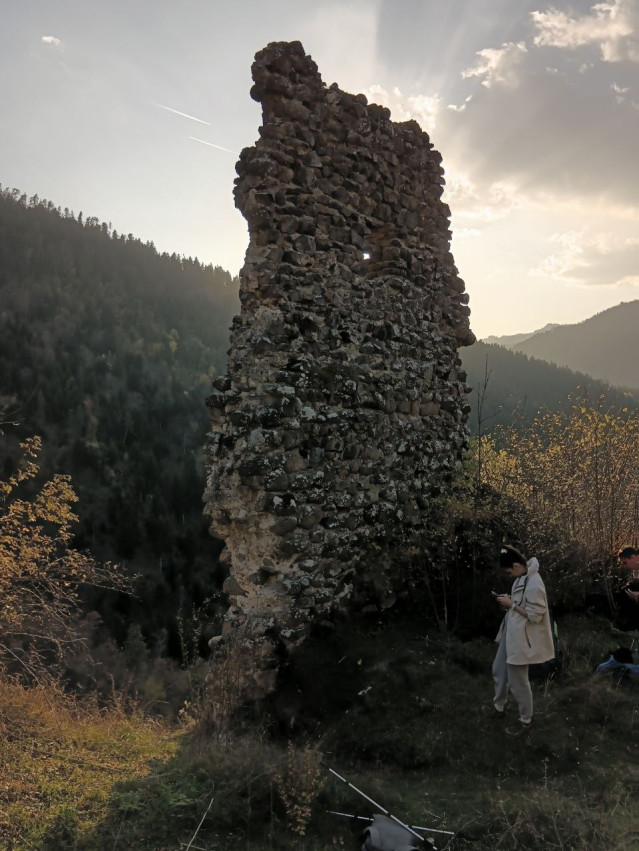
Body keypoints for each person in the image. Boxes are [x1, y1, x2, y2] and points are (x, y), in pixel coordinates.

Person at [489, 544, 555, 736]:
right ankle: (498, 708)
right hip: (510, 634)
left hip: (522, 640)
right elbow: (521, 604)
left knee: (519, 682)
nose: (509, 574)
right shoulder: (523, 576)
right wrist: (510, 601)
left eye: (510, 570)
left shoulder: (535, 583)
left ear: (517, 565)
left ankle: (526, 722)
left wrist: (511, 604)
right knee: (499, 670)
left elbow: (535, 616)